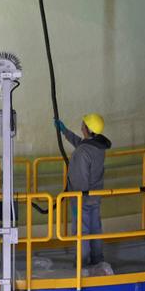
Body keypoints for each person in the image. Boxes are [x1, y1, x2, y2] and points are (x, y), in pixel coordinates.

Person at [55, 112, 112, 273]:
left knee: (82, 231)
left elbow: (79, 178)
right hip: (95, 196)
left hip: (82, 198)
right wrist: (64, 131)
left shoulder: (82, 152)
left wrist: (75, 200)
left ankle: (82, 264)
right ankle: (97, 259)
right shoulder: (97, 146)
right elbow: (81, 143)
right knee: (95, 229)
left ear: (87, 129)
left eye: (83, 124)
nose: (81, 125)